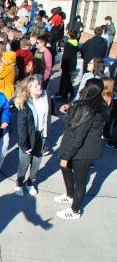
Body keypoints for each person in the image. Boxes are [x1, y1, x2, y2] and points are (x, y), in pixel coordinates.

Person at [55, 79, 109, 219]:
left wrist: (66, 156)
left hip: (84, 151)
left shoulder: (88, 110)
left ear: (88, 90)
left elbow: (78, 137)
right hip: (82, 149)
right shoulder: (98, 104)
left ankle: (74, 211)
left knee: (80, 181)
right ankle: (69, 194)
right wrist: (71, 109)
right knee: (66, 169)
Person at [13, 76, 51, 197]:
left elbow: (52, 110)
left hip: (41, 135)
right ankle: (19, 183)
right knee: (24, 163)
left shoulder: (45, 96)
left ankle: (31, 183)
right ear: (28, 89)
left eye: (39, 84)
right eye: (36, 86)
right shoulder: (24, 103)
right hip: (29, 137)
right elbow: (21, 126)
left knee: (36, 162)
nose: (39, 87)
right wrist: (24, 145)